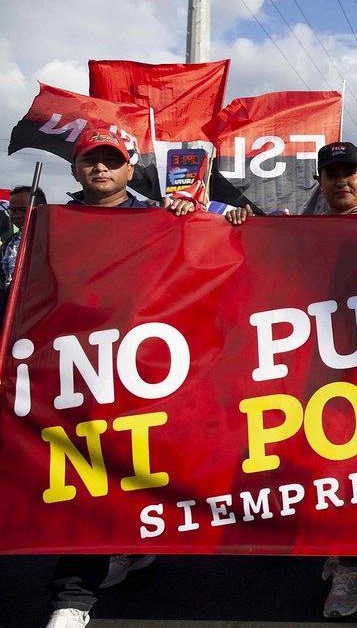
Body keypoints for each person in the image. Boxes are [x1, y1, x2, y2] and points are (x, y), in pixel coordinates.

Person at [46, 129, 196, 628]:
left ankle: (131, 546)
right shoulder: (50, 222)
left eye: (112, 161)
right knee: (80, 475)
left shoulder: (160, 218)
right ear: (75, 168)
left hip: (143, 370)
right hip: (75, 368)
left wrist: (199, 219)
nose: (101, 169)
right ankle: (73, 596)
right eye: (91, 160)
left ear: (131, 169)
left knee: (137, 465)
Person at [226, 140, 357, 619]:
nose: (341, 181)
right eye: (332, 173)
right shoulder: (297, 231)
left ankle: (347, 563)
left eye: (349, 172)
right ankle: (301, 534)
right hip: (303, 370)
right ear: (321, 182)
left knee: (353, 469)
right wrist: (239, 229)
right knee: (299, 456)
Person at [1, 185, 47, 321]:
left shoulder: (50, 238)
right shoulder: (9, 244)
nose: (17, 216)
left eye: (22, 210)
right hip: (10, 312)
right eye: (12, 211)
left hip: (38, 311)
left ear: (42, 208)